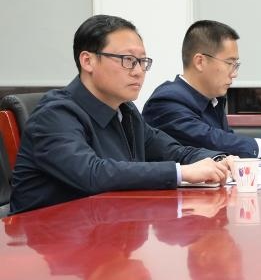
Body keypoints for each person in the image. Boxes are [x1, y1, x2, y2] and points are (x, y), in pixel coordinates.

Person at [10, 15, 230, 214]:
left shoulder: (125, 110)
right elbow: (91, 174)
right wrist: (181, 173)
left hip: (107, 228)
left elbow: (172, 151)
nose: (138, 71)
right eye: (128, 60)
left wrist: (219, 161)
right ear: (88, 61)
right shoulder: (54, 114)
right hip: (46, 236)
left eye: (142, 61)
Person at [143, 20, 261, 157]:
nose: (234, 74)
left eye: (236, 65)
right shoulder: (166, 101)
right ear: (200, 62)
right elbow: (209, 141)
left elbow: (228, 141)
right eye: (230, 63)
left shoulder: (212, 100)